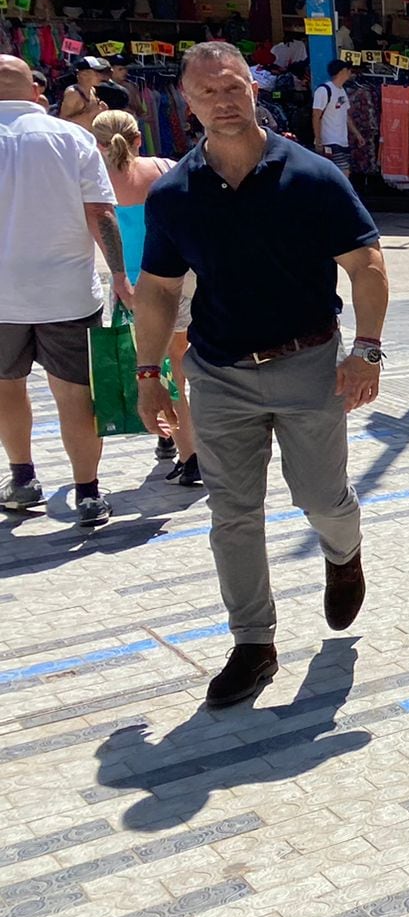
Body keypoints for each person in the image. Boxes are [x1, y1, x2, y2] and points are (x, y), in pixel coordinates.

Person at [131, 44, 387, 708]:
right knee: (233, 515)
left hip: (307, 366)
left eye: (233, 87)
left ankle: (344, 554)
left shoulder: (310, 176)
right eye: (208, 91)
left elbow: (366, 264)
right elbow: (158, 291)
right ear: (186, 104)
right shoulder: (175, 194)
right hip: (217, 375)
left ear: (254, 89)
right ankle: (253, 644)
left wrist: (368, 350)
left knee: (323, 500)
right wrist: (147, 373)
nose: (223, 100)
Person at [0, 54, 131, 527]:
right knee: (75, 394)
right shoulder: (73, 137)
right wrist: (119, 275)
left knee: (6, 388)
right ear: (35, 94)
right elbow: (101, 213)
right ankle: (88, 494)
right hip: (68, 292)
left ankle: (22, 477)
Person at [92, 109, 200, 486]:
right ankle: (185, 444)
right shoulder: (166, 168)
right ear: (140, 138)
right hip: (182, 274)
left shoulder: (96, 184)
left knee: (158, 373)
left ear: (98, 144)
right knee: (183, 366)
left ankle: (188, 453)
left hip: (137, 285)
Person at [311, 58, 360, 171]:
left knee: (338, 173)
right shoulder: (324, 90)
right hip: (329, 140)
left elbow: (345, 114)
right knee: (343, 173)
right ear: (342, 71)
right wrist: (318, 139)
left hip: (342, 140)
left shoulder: (341, 91)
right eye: (348, 69)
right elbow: (316, 116)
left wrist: (357, 134)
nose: (350, 72)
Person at [55, 55, 114, 130]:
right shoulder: (73, 94)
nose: (100, 76)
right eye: (96, 73)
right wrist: (93, 113)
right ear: (83, 74)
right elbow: (62, 122)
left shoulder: (92, 90)